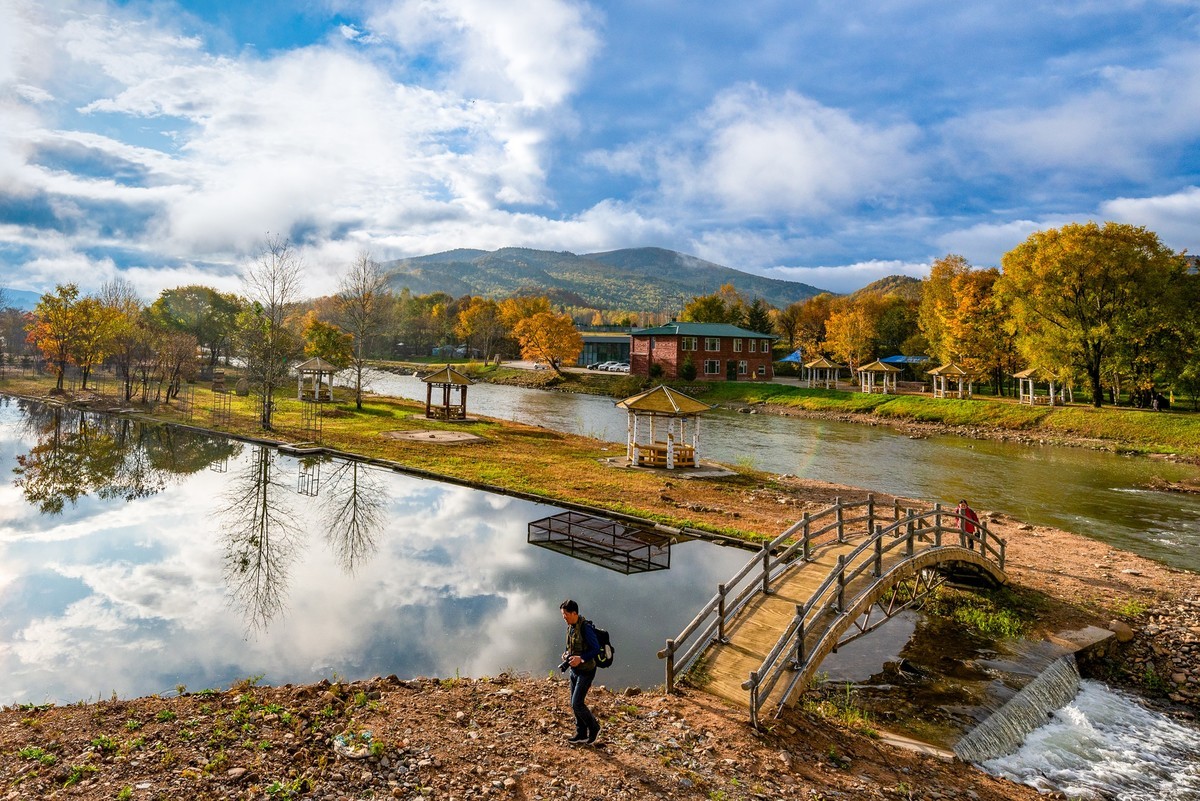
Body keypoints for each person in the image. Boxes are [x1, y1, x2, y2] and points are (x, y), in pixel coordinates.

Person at [559, 599, 601, 745]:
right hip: (574, 670)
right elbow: (569, 646)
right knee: (573, 702)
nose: (564, 618)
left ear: (574, 613)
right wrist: (566, 655)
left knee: (577, 703)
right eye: (563, 615)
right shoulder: (570, 627)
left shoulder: (585, 628)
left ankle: (594, 728)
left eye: (565, 615)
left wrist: (581, 659)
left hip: (586, 671)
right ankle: (581, 733)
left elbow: (595, 649)